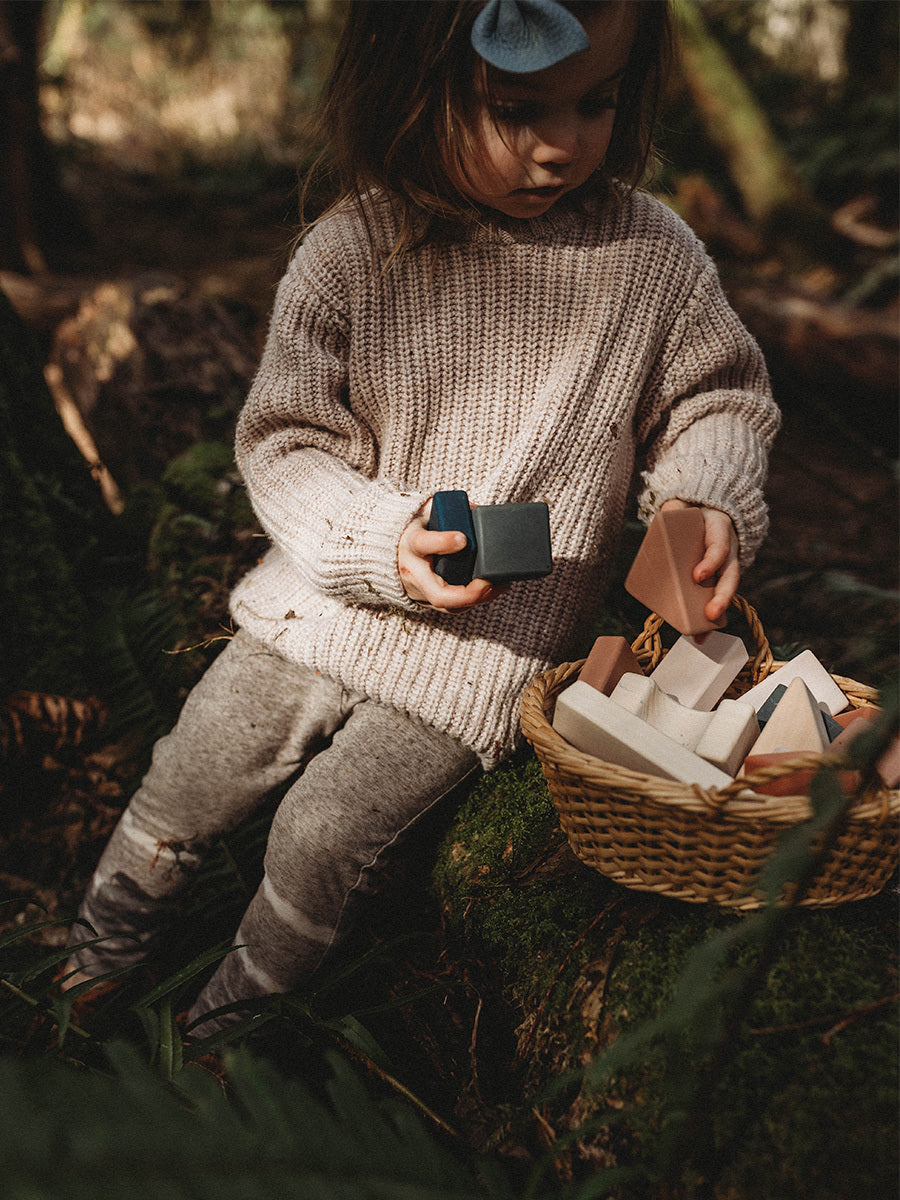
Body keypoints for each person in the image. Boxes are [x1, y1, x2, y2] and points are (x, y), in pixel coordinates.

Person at [64, 0, 780, 1037]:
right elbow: (285, 440)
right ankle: (99, 955)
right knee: (189, 770)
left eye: (598, 102)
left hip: (485, 654)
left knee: (322, 833)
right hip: (324, 607)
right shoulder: (356, 250)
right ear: (413, 86)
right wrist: (373, 539)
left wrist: (707, 486)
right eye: (513, 107)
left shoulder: (649, 255)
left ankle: (229, 1026)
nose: (563, 143)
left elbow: (719, 395)